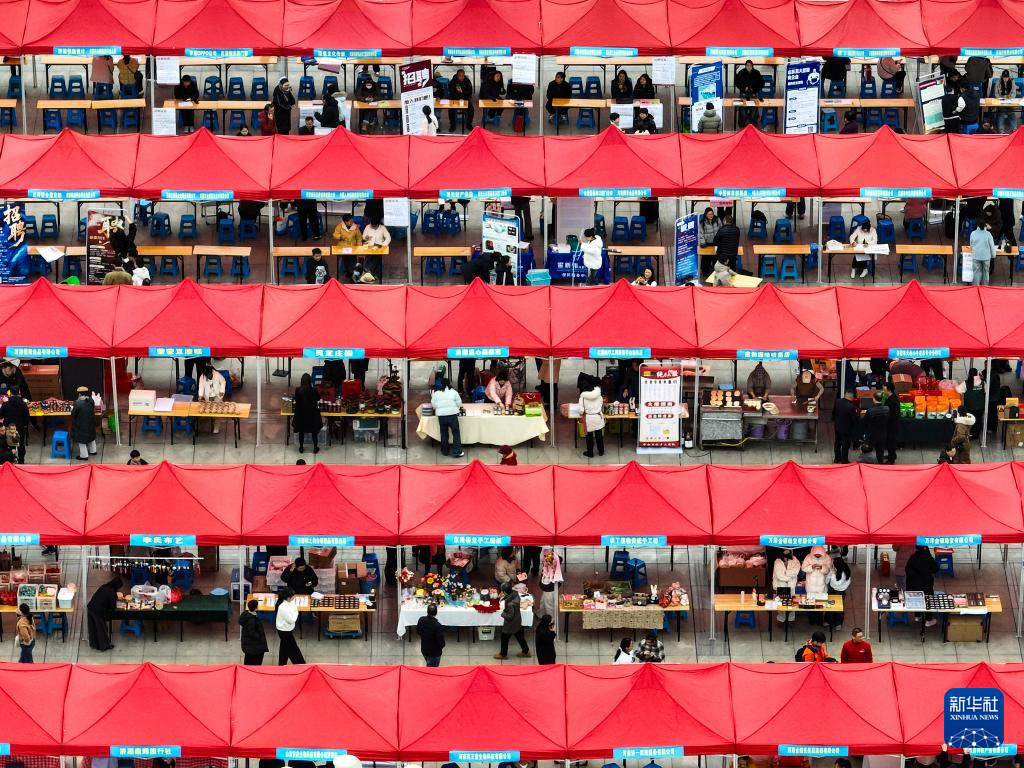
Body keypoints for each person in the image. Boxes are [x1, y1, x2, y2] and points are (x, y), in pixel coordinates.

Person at [494, 581, 530, 659]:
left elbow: (510, 617)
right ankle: (526, 651)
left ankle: (503, 655)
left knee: (504, 638)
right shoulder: (515, 593)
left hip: (510, 624)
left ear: (504, 592)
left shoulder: (510, 604)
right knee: (519, 636)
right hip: (517, 620)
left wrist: (503, 614)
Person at [87, 575, 124, 651]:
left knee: (93, 627)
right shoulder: (111, 591)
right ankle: (104, 646)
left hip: (91, 607)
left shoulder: (104, 586)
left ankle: (94, 644)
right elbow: (112, 606)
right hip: (98, 611)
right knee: (101, 629)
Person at [905, 545, 939, 627]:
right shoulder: (928, 557)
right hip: (926, 584)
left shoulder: (913, 557)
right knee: (928, 600)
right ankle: (928, 620)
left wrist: (915, 576)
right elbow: (935, 568)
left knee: (917, 598)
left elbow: (907, 570)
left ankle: (917, 616)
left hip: (913, 584)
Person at [431, 379, 465, 458]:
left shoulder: (436, 393)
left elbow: (433, 405)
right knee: (455, 433)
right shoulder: (454, 392)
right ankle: (457, 451)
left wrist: (439, 408)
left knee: (444, 433)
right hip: (452, 415)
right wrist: (456, 407)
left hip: (441, 416)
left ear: (441, 384)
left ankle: (445, 451)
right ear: (449, 384)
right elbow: (459, 403)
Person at [291, 373, 323, 454]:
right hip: (312, 415)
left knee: (301, 432)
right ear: (310, 381)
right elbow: (318, 398)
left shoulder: (298, 390)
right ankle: (315, 448)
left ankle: (301, 448)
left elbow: (296, 400)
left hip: (301, 415)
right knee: (314, 432)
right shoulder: (313, 390)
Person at [275, 588, 305, 664]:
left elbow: (294, 608)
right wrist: (296, 612)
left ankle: (282, 664)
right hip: (284, 631)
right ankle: (300, 664)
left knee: (284, 648)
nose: (294, 597)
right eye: (293, 595)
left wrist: (294, 612)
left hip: (287, 629)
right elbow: (291, 620)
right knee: (293, 649)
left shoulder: (290, 603)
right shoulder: (283, 607)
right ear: (289, 597)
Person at [0, 385, 28, 464]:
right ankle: (21, 462)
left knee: (9, 446)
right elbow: (26, 418)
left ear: (10, 393)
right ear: (19, 392)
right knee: (21, 446)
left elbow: (0, 416)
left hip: (8, 429)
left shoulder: (5, 404)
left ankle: (11, 462)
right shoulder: (24, 404)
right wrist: (24, 425)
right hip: (20, 428)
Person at [579, 380, 605, 458]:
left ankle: (590, 453)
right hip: (598, 417)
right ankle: (601, 451)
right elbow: (601, 404)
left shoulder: (582, 398)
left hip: (588, 419)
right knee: (599, 435)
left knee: (589, 437)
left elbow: (581, 411)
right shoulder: (599, 396)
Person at [772, 548, 800, 623]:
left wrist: (786, 573)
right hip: (780, 585)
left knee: (792, 603)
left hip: (791, 585)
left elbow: (796, 571)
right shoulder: (777, 561)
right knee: (781, 603)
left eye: (788, 551)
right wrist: (789, 577)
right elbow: (779, 575)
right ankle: (781, 619)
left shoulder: (795, 560)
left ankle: (791, 619)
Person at [198, 364, 226, 434]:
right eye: (207, 376)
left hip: (217, 396)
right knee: (208, 411)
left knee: (218, 412)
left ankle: (216, 427)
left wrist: (222, 391)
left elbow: (223, 381)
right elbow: (201, 386)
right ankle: (210, 425)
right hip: (208, 396)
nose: (208, 377)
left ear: (212, 372)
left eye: (209, 375)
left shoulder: (217, 374)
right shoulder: (202, 377)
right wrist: (200, 395)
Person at [70, 386, 97, 461]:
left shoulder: (78, 403)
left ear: (79, 394)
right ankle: (93, 451)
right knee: (91, 437)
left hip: (81, 424)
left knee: (81, 440)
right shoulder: (91, 400)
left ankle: (84, 456)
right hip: (90, 422)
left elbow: (73, 414)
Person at [735, 60, 765, 127]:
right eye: (747, 66)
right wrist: (743, 88)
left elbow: (762, 83)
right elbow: (736, 82)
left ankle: (753, 124)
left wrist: (754, 89)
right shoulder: (741, 72)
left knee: (753, 109)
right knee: (742, 109)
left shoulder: (756, 73)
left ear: (752, 66)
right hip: (744, 93)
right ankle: (742, 123)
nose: (749, 67)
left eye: (750, 66)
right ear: (745, 66)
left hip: (753, 94)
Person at [833, 388, 859, 464]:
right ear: (852, 397)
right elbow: (855, 419)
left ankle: (837, 458)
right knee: (845, 445)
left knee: (837, 443)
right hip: (846, 429)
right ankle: (844, 460)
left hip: (837, 427)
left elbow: (833, 413)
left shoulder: (838, 401)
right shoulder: (851, 407)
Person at [826, 550, 851, 629]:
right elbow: (827, 580)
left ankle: (838, 623)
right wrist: (830, 575)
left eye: (833, 565)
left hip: (840, 591)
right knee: (829, 604)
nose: (832, 566)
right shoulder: (834, 571)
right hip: (832, 588)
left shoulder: (843, 573)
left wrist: (832, 574)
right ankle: (828, 620)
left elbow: (837, 583)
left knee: (838, 607)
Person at [240, 598, 268, 665]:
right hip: (254, 646)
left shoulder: (247, 615)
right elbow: (252, 633)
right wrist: (259, 636)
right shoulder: (252, 620)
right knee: (255, 662)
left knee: (248, 660)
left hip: (249, 645)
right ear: (256, 608)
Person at [865, 392, 890, 465]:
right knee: (880, 451)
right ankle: (880, 464)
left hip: (872, 434)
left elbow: (865, 422)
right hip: (882, 433)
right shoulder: (887, 409)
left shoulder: (870, 410)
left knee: (868, 449)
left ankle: (868, 465)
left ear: (874, 399)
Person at [537, 546, 562, 620]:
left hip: (550, 585)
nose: (545, 556)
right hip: (548, 583)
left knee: (549, 604)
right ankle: (540, 613)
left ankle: (551, 620)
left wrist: (549, 562)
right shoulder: (550, 556)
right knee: (543, 600)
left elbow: (551, 565)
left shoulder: (552, 558)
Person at [970, 221, 995, 285]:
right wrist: (993, 255)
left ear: (977, 226)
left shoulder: (973, 233)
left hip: (976, 256)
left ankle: (976, 287)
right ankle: (985, 287)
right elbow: (992, 246)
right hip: (986, 257)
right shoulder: (988, 234)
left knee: (976, 272)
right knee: (986, 272)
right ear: (985, 226)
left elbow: (971, 245)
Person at [884, 380, 900, 464]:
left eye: (884, 389)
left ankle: (891, 459)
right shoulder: (890, 398)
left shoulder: (893, 401)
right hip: (891, 424)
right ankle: (892, 455)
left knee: (891, 442)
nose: (883, 391)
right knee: (890, 442)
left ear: (889, 390)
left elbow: (892, 415)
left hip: (892, 425)